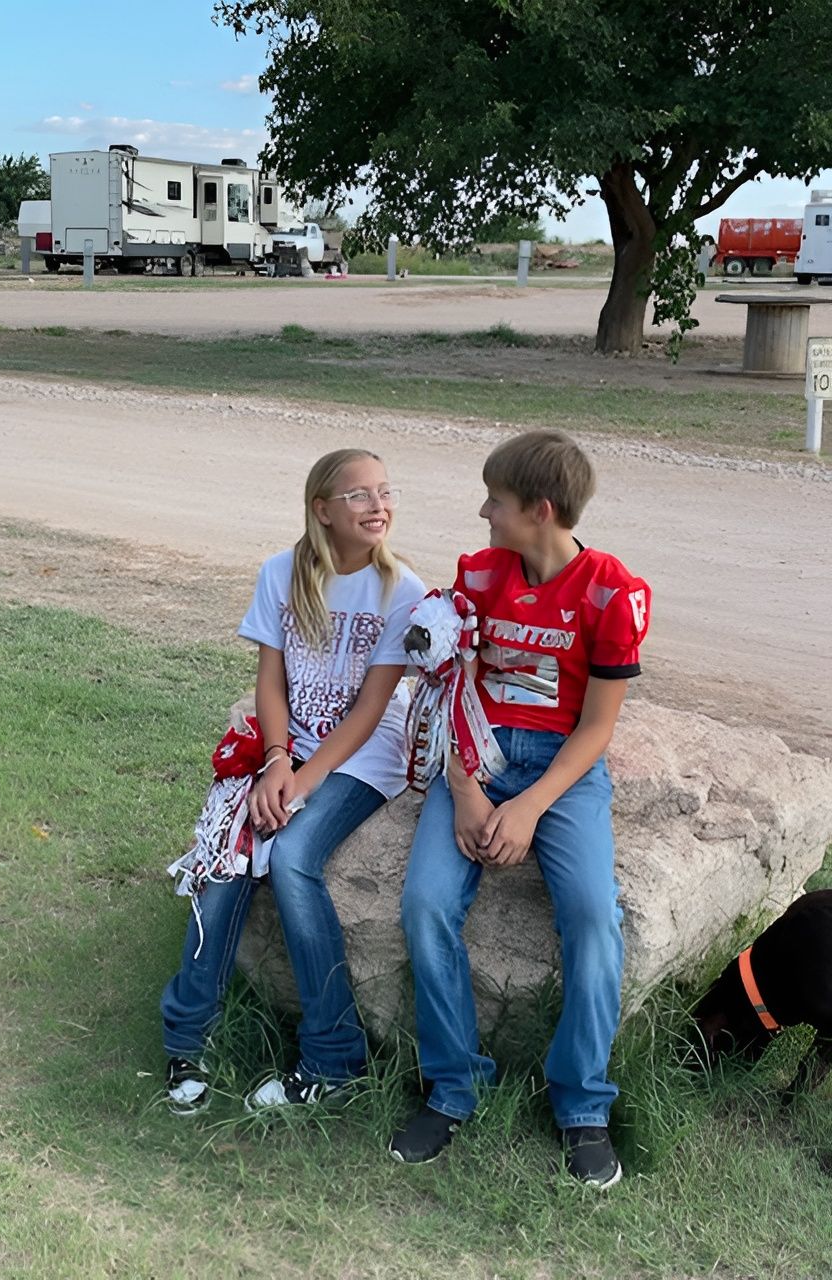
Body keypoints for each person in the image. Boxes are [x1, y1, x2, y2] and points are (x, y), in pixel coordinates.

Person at [390, 429, 651, 1188]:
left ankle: (582, 1104)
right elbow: (449, 685)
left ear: (540, 510)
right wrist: (467, 790)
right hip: (475, 755)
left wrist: (531, 808)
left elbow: (598, 727)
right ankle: (452, 1085)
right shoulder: (480, 575)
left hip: (561, 772)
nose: (483, 513)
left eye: (496, 503)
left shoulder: (612, 593)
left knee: (594, 915)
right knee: (425, 902)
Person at [160, 448, 425, 1115]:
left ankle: (334, 1056)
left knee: (295, 855)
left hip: (364, 756)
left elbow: (371, 710)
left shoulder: (404, 592)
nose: (378, 505)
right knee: (230, 853)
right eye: (359, 495)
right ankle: (186, 1038)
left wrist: (303, 779)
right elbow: (270, 680)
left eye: (385, 491)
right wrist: (277, 758)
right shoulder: (281, 574)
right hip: (292, 743)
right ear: (322, 509)